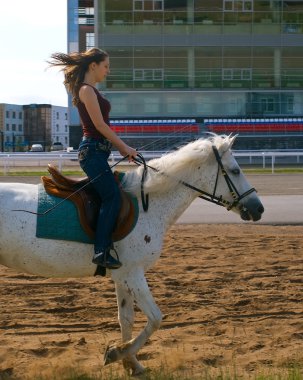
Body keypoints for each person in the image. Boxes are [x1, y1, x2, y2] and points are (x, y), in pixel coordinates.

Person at [49, 48, 137, 269]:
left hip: (98, 152)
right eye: (106, 66)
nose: (108, 71)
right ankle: (101, 251)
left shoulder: (91, 90)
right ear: (93, 65)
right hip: (92, 153)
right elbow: (99, 126)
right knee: (112, 197)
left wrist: (120, 148)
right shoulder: (86, 90)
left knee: (112, 193)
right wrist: (123, 146)